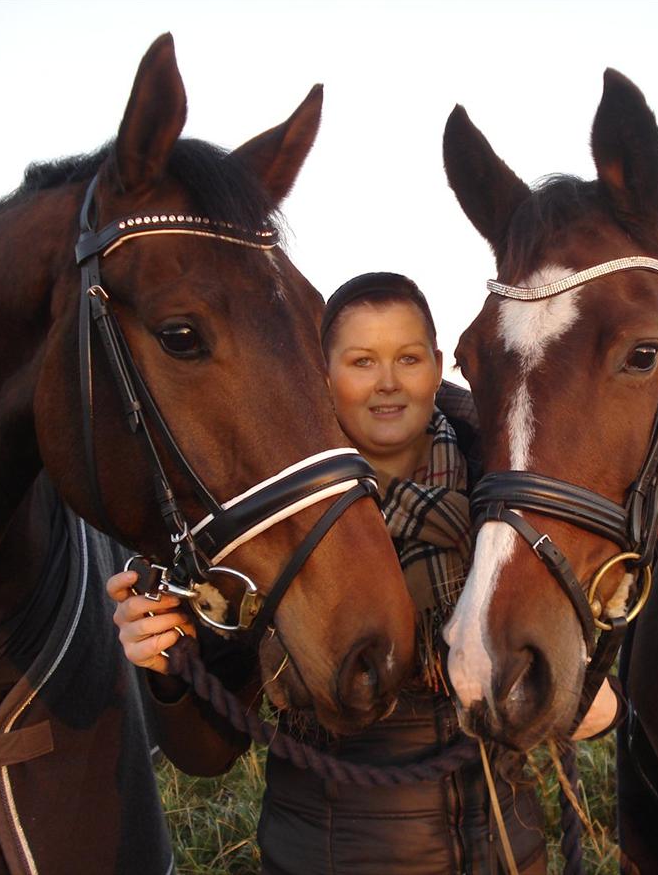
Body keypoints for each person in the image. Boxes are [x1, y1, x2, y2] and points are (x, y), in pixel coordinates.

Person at [108, 273, 618, 874]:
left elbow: (596, 703)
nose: (388, 382)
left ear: (437, 367)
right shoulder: (272, 524)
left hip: (509, 856)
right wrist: (171, 669)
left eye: (408, 358)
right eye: (362, 361)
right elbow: (207, 754)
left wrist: (582, 692)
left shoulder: (508, 506)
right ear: (322, 376)